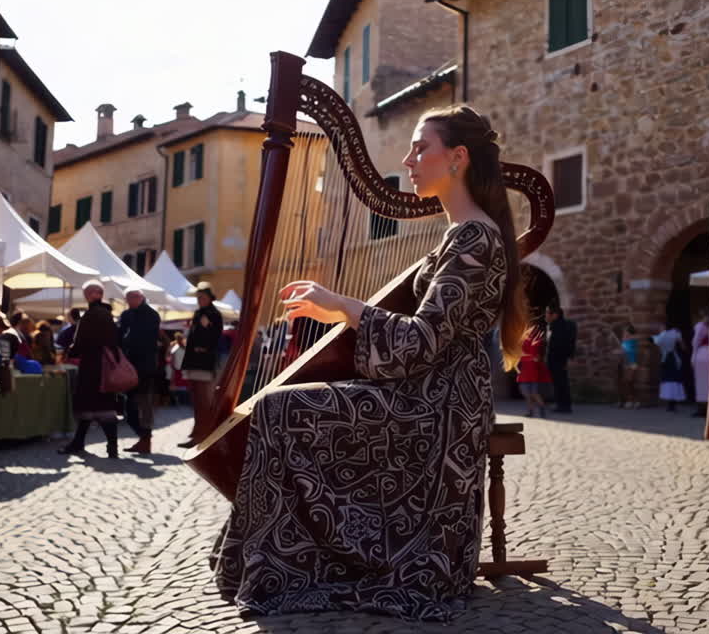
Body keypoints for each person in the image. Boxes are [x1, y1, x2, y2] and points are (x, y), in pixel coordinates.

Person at [211, 105, 522, 621]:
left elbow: (420, 342)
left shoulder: (474, 236)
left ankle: (303, 564)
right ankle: (294, 561)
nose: (409, 159)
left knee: (279, 411)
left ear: (458, 158)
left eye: (421, 147)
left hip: (439, 409)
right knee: (279, 408)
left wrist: (342, 306)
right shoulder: (460, 235)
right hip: (430, 395)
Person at [60, 280, 122, 458]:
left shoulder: (89, 315)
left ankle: (106, 446)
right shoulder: (109, 315)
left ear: (87, 295)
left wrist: (70, 351)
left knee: (93, 406)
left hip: (92, 367)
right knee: (100, 406)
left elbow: (79, 343)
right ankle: (103, 446)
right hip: (107, 366)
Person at [178, 282, 223, 448]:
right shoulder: (198, 313)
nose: (199, 300)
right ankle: (198, 432)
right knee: (196, 400)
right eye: (198, 297)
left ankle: (203, 434)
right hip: (193, 361)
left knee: (204, 400)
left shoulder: (214, 314)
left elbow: (216, 336)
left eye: (202, 297)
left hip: (204, 362)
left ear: (210, 298)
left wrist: (209, 326)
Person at [116, 288, 162, 454]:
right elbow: (120, 336)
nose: (130, 300)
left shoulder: (151, 315)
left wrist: (126, 342)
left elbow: (142, 339)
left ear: (141, 297)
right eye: (128, 298)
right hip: (131, 365)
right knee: (130, 405)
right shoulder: (127, 314)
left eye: (133, 297)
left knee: (142, 403)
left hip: (145, 366)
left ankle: (145, 439)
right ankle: (143, 438)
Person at [544, 301, 576, 413]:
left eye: (548, 313)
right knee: (560, 382)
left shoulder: (560, 327)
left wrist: (567, 358)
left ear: (555, 315)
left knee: (561, 383)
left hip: (558, 359)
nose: (546, 315)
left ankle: (564, 406)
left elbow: (565, 344)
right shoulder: (555, 326)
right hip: (558, 359)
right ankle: (562, 404)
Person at [517, 315, 551, 417]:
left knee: (534, 393)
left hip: (533, 369)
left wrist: (534, 357)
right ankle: (530, 411)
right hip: (525, 369)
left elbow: (538, 355)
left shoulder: (536, 338)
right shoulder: (522, 338)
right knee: (527, 393)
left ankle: (541, 409)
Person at [653, 324, 687, 412]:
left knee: (668, 379)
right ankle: (673, 402)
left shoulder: (661, 336)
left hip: (666, 358)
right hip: (673, 358)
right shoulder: (675, 334)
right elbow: (683, 346)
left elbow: (656, 343)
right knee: (674, 379)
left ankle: (670, 403)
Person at [690, 311, 709, 418]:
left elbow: (696, 341)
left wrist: (693, 357)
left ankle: (703, 408)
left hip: (703, 354)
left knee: (702, 383)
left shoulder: (700, 326)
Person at [616, 324, 639, 409]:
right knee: (625, 382)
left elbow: (628, 351)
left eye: (626, 331)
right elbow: (623, 350)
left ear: (629, 332)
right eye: (624, 331)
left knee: (630, 382)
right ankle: (626, 401)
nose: (624, 333)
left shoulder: (633, 340)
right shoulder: (624, 341)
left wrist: (619, 351)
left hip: (632, 363)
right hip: (624, 363)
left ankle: (634, 401)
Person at [168, 331, 189, 406]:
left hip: (177, 368)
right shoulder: (184, 347)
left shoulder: (175, 347)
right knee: (184, 384)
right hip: (182, 368)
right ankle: (183, 401)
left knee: (175, 385)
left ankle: (177, 401)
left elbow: (171, 358)